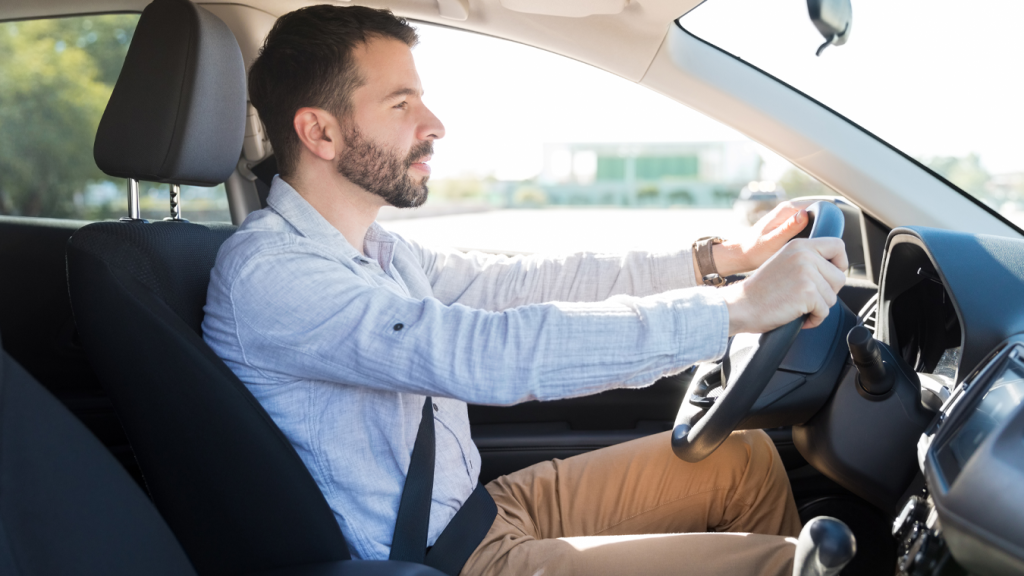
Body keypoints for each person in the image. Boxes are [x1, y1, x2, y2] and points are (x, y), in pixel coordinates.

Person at [202, 5, 848, 575]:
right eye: (401, 104)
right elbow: (487, 354)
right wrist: (735, 311)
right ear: (320, 132)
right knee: (778, 567)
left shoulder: (379, 251)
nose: (435, 123)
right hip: (433, 559)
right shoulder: (273, 273)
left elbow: (524, 283)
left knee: (742, 461)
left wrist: (718, 260)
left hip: (475, 510)